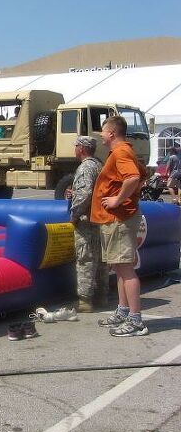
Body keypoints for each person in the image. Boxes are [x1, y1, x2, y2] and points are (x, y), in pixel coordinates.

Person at [91, 116, 148, 337]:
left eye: (103, 132)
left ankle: (136, 321)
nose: (102, 136)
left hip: (120, 219)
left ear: (112, 133)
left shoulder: (122, 152)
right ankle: (123, 311)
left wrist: (118, 200)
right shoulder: (122, 152)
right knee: (119, 267)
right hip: (115, 219)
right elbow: (143, 173)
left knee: (125, 268)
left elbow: (133, 177)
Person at [68, 136, 104, 313]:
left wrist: (74, 214)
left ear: (81, 148)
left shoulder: (85, 167)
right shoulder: (99, 164)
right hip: (100, 219)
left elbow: (85, 194)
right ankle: (102, 296)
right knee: (101, 260)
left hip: (87, 221)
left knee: (85, 259)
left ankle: (85, 301)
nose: (74, 149)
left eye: (76, 146)